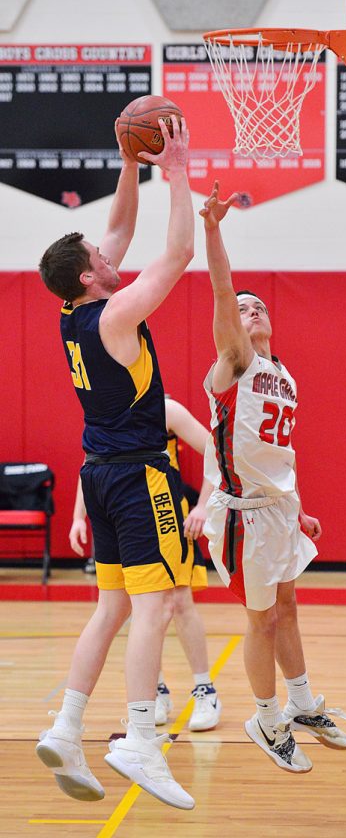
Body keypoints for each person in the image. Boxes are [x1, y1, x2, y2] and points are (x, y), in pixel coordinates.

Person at [36, 116, 195, 810]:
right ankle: (139, 740)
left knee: (110, 609)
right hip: (138, 477)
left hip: (98, 475)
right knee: (153, 608)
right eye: (99, 255)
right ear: (88, 275)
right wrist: (178, 171)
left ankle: (66, 729)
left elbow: (120, 229)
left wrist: (129, 162)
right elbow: (178, 253)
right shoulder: (116, 316)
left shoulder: (73, 312)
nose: (110, 252)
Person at [200, 181, 346, 775]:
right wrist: (213, 229)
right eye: (243, 308)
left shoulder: (283, 374)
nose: (253, 309)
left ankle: (302, 703)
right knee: (261, 619)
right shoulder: (234, 362)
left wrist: (299, 505)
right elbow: (221, 289)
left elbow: (278, 453)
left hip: (279, 510)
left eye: (259, 304)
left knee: (288, 607)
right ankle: (265, 719)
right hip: (243, 518)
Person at [69, 397, 221, 732]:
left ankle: (205, 689)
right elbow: (89, 460)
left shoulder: (167, 410)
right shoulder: (107, 407)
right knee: (138, 607)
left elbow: (216, 450)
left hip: (168, 515)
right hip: (130, 517)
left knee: (179, 600)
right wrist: (78, 517)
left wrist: (203, 506)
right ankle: (156, 690)